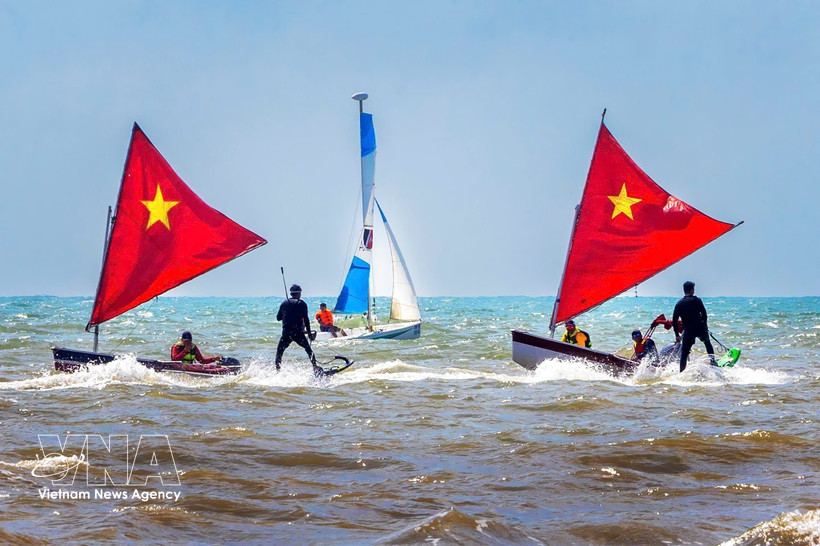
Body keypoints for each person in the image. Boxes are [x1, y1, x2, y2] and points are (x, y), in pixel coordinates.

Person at [672, 281, 716, 372]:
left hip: (688, 330)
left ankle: (681, 372)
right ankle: (713, 362)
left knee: (684, 353)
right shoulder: (697, 300)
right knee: (707, 343)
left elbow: (674, 320)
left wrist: (677, 334)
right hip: (700, 327)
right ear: (692, 290)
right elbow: (704, 313)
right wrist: (705, 325)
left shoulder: (679, 304)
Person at [275, 284, 318, 373]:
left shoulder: (284, 303)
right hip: (298, 333)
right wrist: (309, 334)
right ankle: (315, 367)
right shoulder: (302, 304)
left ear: (291, 294)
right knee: (309, 350)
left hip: (286, 334)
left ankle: (277, 370)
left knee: (279, 352)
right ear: (299, 293)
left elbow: (278, 318)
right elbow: (306, 320)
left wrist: (287, 313)